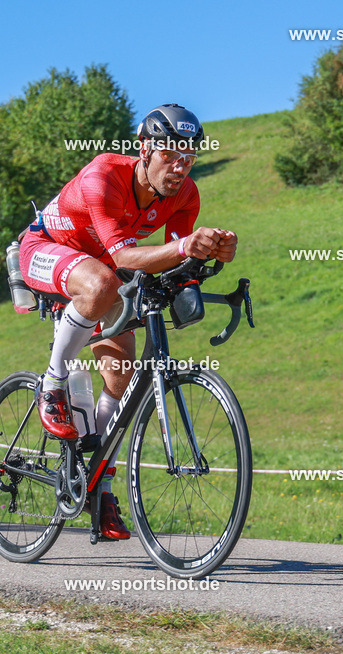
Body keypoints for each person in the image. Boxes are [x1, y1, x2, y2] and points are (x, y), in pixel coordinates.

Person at [19, 104, 238, 539]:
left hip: (100, 267)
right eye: (170, 155)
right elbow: (122, 258)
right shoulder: (105, 175)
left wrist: (212, 254)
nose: (179, 167)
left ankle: (98, 489)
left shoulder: (185, 195)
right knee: (102, 282)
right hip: (46, 248)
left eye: (188, 158)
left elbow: (178, 259)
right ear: (144, 148)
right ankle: (52, 382)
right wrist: (186, 249)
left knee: (120, 378)